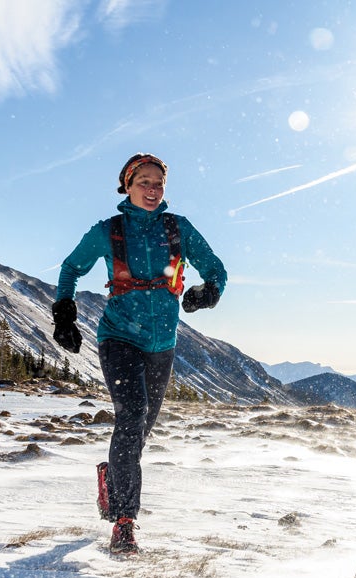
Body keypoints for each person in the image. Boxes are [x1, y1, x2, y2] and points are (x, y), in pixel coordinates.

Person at [50, 152, 227, 555]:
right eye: (143, 182)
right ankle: (124, 521)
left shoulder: (178, 229)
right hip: (118, 338)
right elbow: (70, 268)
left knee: (140, 428)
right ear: (126, 186)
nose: (152, 189)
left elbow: (215, 267)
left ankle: (111, 481)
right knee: (132, 417)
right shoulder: (108, 231)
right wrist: (64, 310)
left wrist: (209, 292)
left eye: (158, 183)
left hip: (162, 343)